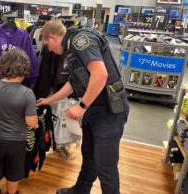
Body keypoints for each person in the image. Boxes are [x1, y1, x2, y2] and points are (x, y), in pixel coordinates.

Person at [37, 19, 130, 194]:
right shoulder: (72, 47)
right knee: (89, 156)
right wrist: (50, 100)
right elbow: (73, 82)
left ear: (53, 37)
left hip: (109, 111)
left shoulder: (81, 41)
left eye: (48, 44)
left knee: (106, 166)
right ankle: (80, 190)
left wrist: (81, 106)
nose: (49, 49)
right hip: (95, 108)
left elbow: (100, 75)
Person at [0, 48, 38, 194]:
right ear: (25, 68)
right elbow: (31, 123)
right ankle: (12, 192)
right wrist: (36, 121)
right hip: (15, 141)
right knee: (13, 173)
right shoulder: (27, 94)